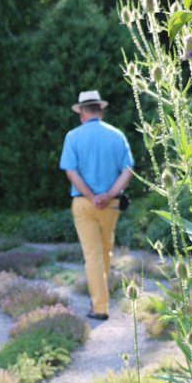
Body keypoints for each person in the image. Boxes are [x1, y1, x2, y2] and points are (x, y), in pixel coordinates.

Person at [59, 90, 134, 321]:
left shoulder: (73, 136)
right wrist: (108, 194)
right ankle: (104, 299)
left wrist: (92, 197)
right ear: (100, 111)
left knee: (92, 255)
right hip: (110, 204)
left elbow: (71, 173)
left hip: (84, 204)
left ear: (82, 112)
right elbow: (128, 170)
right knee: (105, 251)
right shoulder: (117, 135)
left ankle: (100, 307)